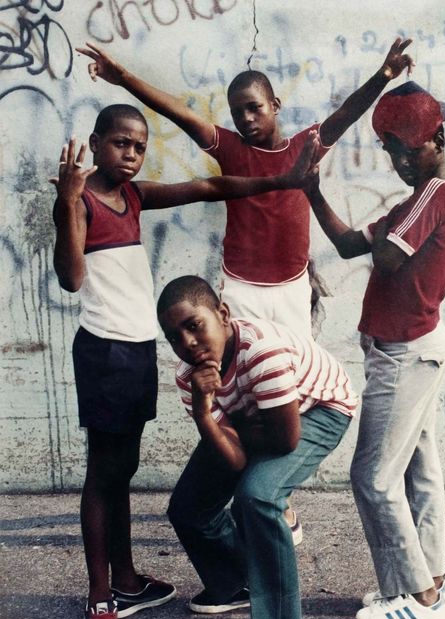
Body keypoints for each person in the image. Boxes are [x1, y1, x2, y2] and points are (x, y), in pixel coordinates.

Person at [76, 35, 413, 541]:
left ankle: (278, 496)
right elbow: (177, 112)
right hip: (241, 291)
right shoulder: (229, 147)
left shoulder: (304, 146)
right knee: (240, 392)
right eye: (237, 112)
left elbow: (345, 114)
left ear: (274, 105)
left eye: (254, 108)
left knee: (289, 395)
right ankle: (242, 488)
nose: (246, 120)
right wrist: (122, 78)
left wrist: (383, 77)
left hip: (292, 289)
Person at [50, 103, 319, 619]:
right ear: (97, 143)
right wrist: (67, 202)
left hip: (135, 353)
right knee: (103, 473)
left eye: (139, 146)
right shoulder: (80, 203)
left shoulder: (133, 196)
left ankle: (125, 581)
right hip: (103, 353)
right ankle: (100, 599)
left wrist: (284, 179)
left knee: (121, 467)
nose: (130, 154)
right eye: (120, 143)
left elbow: (204, 186)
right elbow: (72, 278)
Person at [304, 81, 445, 619]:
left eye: (409, 148)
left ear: (438, 137)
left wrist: (389, 234)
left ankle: (418, 600)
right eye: (392, 150)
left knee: (372, 477)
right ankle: (429, 580)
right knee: (419, 469)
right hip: (406, 352)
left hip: (404, 356)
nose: (400, 161)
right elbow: (353, 245)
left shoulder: (435, 195)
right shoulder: (411, 203)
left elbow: (390, 259)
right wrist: (311, 191)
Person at [156, 275, 358, 619]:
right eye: (175, 337)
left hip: (318, 408)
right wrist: (201, 411)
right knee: (189, 508)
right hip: (260, 418)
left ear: (223, 315)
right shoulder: (189, 376)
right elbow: (233, 458)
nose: (188, 343)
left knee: (258, 497)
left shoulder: (260, 351)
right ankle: (236, 581)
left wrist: (236, 428)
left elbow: (285, 440)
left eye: (194, 325)